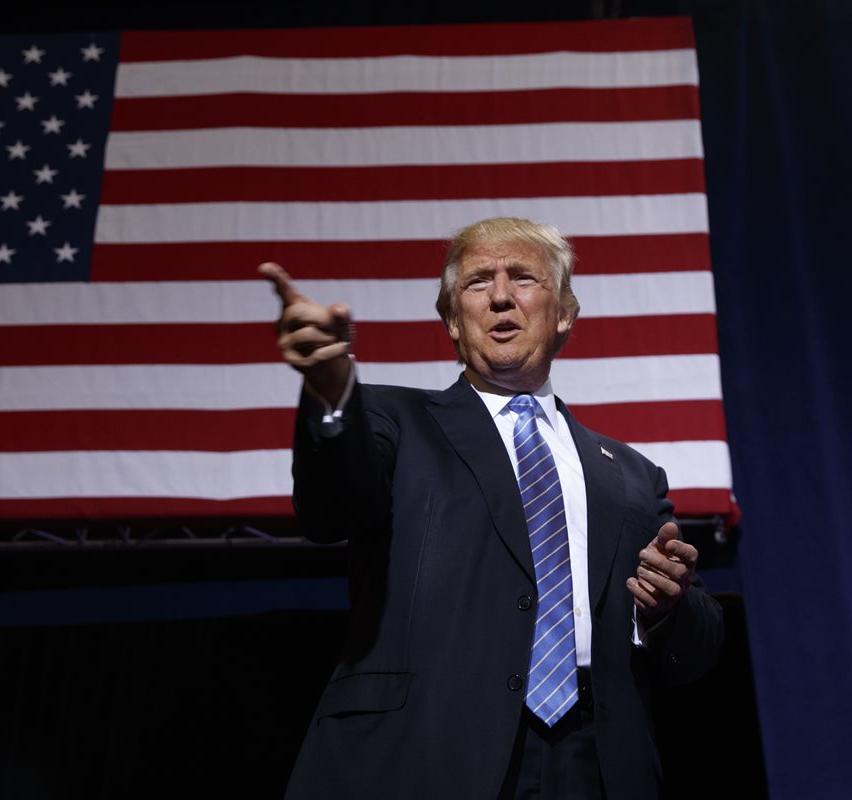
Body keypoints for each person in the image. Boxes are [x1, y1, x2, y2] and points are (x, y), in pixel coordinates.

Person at [259, 217, 723, 800]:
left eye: (523, 277)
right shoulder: (392, 422)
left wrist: (666, 611)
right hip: (426, 752)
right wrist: (330, 393)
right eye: (478, 282)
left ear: (564, 314)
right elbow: (330, 511)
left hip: (597, 766)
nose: (501, 295)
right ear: (453, 320)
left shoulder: (630, 474)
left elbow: (695, 653)